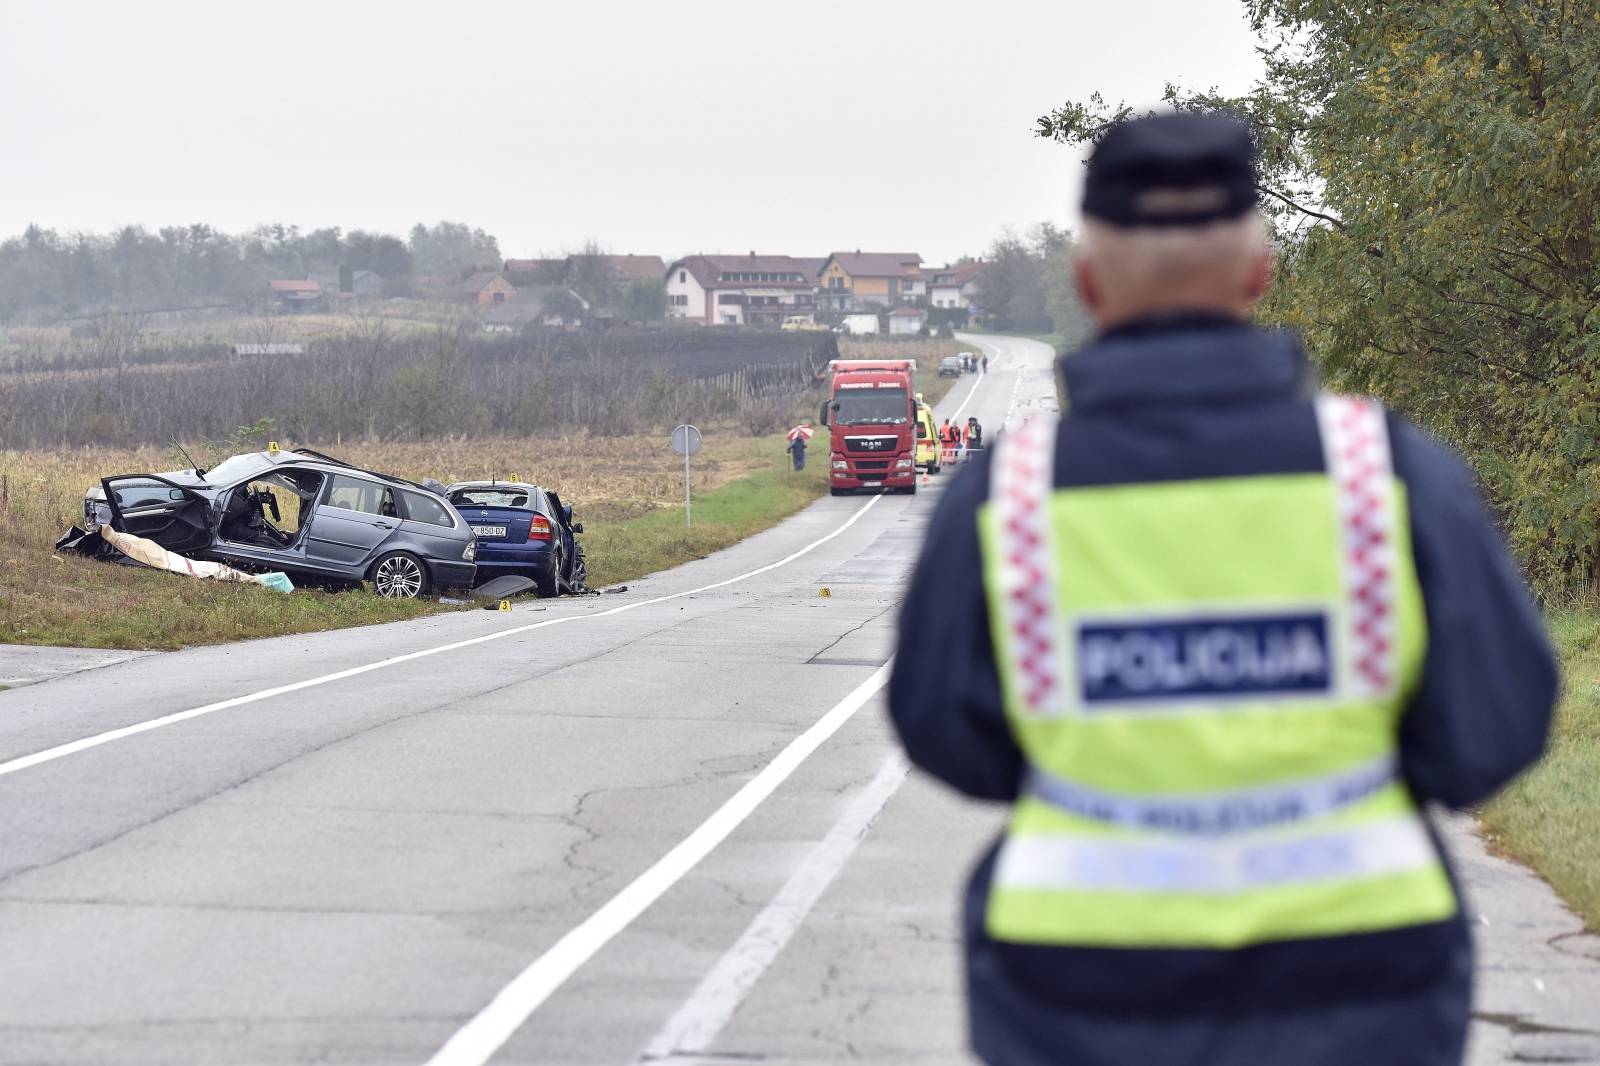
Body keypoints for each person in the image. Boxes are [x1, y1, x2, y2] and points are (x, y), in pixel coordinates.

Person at [888, 112, 1557, 1066]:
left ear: (1086, 285)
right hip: (1364, 985)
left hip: (1077, 990)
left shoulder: (1008, 494)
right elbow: (1497, 723)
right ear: (1260, 272)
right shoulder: (1387, 472)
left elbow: (943, 728)